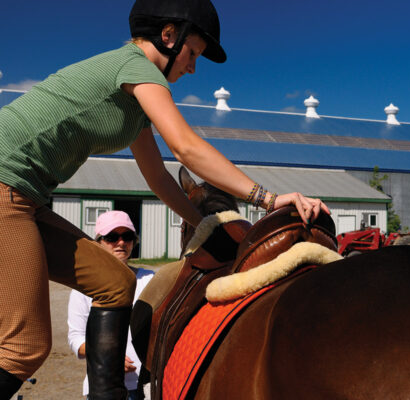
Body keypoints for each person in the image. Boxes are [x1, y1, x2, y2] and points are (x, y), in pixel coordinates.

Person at [0, 0, 329, 398]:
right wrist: (268, 198)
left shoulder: (135, 101)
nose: (192, 68)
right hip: (5, 186)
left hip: (26, 197)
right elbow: (186, 148)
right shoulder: (135, 66)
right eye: (193, 54)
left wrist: (206, 224)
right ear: (168, 36)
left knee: (115, 281)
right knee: (24, 349)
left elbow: (157, 177)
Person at [68, 211, 153, 400]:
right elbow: (76, 339)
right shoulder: (83, 287)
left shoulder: (150, 280)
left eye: (128, 236)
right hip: (103, 386)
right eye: (112, 237)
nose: (121, 243)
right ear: (98, 242)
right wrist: (109, 357)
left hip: (148, 386)